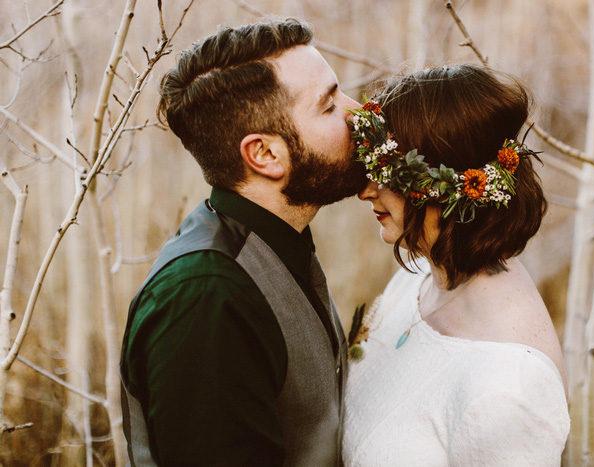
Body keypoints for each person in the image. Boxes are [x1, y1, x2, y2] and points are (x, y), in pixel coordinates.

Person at [119, 20, 366, 466]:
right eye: (329, 106)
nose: (358, 112)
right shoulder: (206, 297)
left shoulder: (273, 245)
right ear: (265, 155)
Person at [342, 65, 570, 466]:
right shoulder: (414, 281)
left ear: (448, 184)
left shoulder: (509, 387)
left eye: (386, 174)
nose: (365, 191)